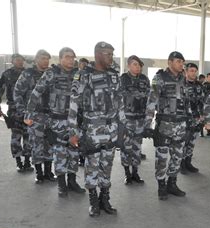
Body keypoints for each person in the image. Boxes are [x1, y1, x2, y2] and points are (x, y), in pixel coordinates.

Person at [69, 42, 125, 217]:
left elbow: (120, 102)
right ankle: (93, 201)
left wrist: (123, 126)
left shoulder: (114, 75)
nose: (111, 58)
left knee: (106, 165)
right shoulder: (83, 75)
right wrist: (73, 132)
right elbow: (73, 104)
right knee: (92, 166)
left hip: (111, 128)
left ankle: (105, 199)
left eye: (112, 54)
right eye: (108, 54)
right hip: (92, 129)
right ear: (98, 54)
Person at [28, 47, 85, 197]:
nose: (71, 60)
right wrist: (29, 113)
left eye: (73, 57)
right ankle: (62, 184)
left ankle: (72, 181)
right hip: (57, 120)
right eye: (67, 57)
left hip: (74, 121)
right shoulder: (51, 73)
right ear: (60, 59)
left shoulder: (78, 75)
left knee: (74, 151)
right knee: (60, 152)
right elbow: (36, 93)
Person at [144, 51, 190, 200]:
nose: (181, 64)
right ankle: (161, 186)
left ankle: (172, 183)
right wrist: (147, 124)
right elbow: (152, 101)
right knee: (162, 157)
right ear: (169, 62)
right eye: (178, 61)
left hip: (180, 124)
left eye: (182, 62)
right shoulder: (159, 78)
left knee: (177, 156)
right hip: (165, 124)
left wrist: (189, 119)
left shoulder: (184, 79)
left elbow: (186, 100)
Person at [16, 49, 55, 183]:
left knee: (49, 143)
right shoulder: (27, 74)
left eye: (47, 59)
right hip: (35, 115)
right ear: (36, 59)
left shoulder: (51, 74)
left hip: (50, 115)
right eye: (43, 58)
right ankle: (39, 173)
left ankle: (49, 172)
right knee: (36, 145)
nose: (46, 61)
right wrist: (24, 113)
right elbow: (17, 93)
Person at [0, 53, 32, 172]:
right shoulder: (7, 74)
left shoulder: (28, 73)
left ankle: (27, 161)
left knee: (28, 136)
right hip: (14, 110)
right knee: (16, 136)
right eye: (17, 60)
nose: (20, 62)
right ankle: (18, 161)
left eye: (21, 60)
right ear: (12, 61)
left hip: (28, 110)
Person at [119, 55, 150, 185]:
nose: (138, 67)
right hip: (127, 119)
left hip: (140, 119)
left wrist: (148, 119)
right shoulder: (123, 79)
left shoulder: (144, 79)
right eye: (135, 64)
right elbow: (118, 100)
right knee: (126, 147)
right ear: (128, 65)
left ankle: (135, 172)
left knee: (137, 147)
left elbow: (149, 98)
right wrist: (120, 121)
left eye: (139, 65)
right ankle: (127, 174)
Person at [180, 62, 204, 174]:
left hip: (196, 118)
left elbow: (202, 102)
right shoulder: (180, 84)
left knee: (192, 142)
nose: (194, 73)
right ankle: (181, 163)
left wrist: (202, 116)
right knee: (183, 142)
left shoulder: (199, 85)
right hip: (184, 118)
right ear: (185, 71)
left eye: (195, 71)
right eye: (191, 71)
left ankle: (188, 162)